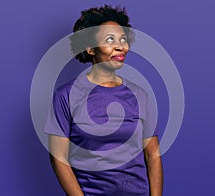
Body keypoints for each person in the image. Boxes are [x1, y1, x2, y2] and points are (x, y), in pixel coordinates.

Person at [45, 5, 163, 196]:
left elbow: (153, 155)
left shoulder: (140, 96)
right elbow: (58, 158)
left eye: (123, 39)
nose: (120, 46)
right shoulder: (66, 95)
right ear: (90, 48)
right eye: (110, 39)